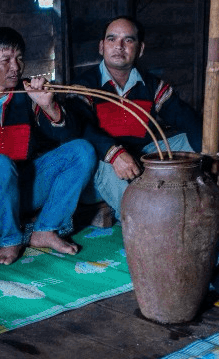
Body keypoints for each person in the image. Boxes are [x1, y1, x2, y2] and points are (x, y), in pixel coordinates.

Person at [0, 27, 96, 265]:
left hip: (26, 191)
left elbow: (68, 135)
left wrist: (48, 106)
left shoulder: (29, 92)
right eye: (6, 60)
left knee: (82, 150)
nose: (16, 67)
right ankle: (10, 239)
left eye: (19, 59)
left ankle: (46, 229)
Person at [73, 16, 202, 220]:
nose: (119, 46)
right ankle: (142, 220)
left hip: (141, 162)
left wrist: (208, 145)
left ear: (140, 49)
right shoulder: (84, 86)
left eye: (128, 40)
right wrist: (114, 154)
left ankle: (192, 197)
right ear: (101, 47)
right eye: (112, 39)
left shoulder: (151, 85)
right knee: (96, 157)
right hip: (103, 172)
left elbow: (184, 116)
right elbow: (78, 128)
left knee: (195, 138)